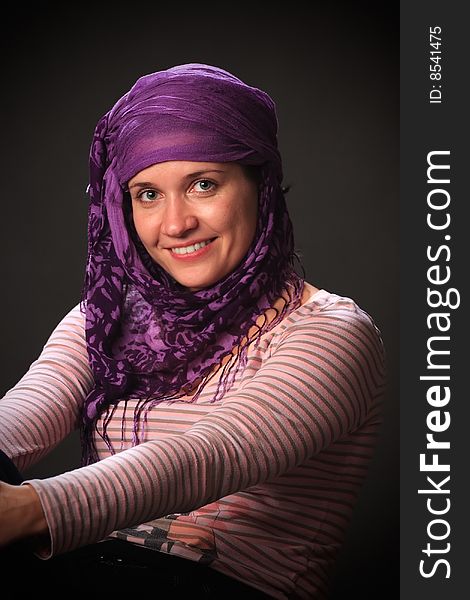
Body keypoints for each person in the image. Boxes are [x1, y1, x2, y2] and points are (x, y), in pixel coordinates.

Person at [0, 63, 385, 598]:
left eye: (203, 184)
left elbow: (210, 454)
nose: (175, 223)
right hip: (79, 573)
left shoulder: (333, 332)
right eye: (148, 194)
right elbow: (26, 412)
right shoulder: (112, 311)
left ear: (261, 184)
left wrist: (27, 509)